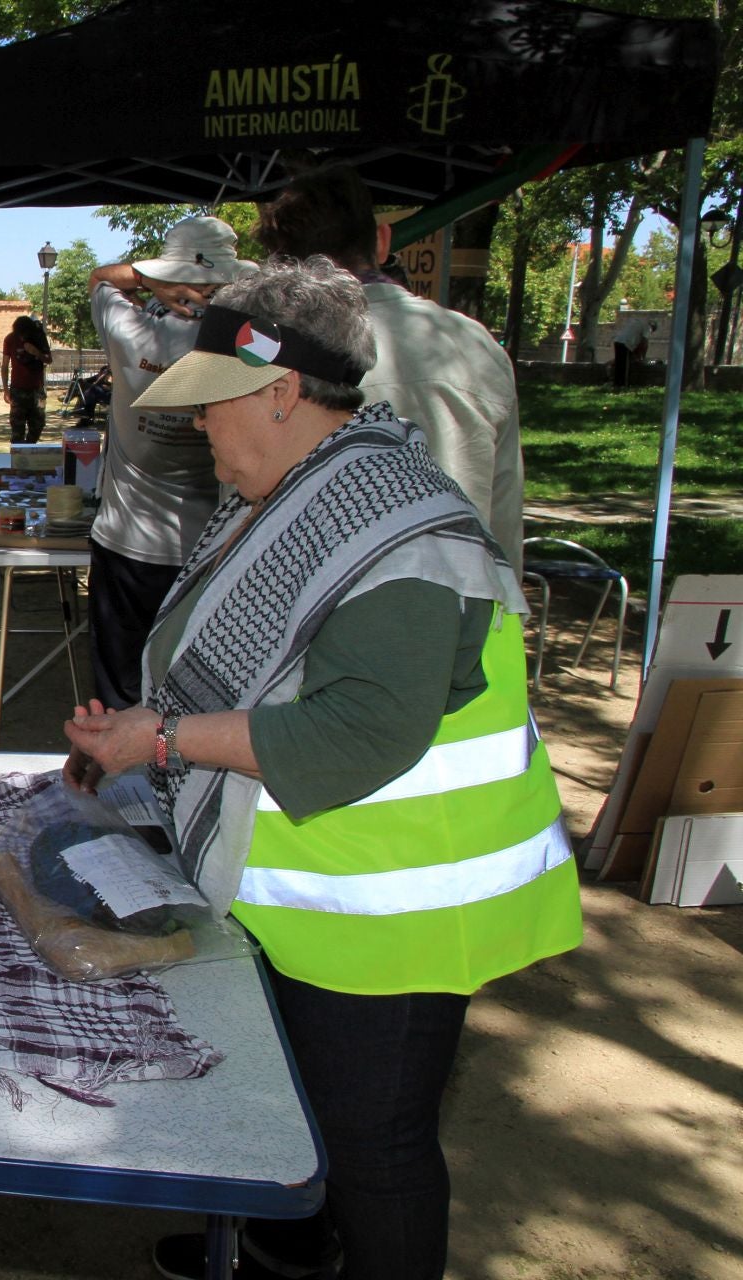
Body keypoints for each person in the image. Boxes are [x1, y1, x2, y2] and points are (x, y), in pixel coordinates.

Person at [60, 257, 582, 1280]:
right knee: (301, 1118)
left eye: (213, 405)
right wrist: (142, 725)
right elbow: (244, 665)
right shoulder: (295, 491)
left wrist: (161, 741)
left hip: (396, 919)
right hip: (315, 900)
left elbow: (358, 733)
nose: (199, 428)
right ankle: (285, 1252)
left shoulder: (395, 521)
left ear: (283, 390)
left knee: (374, 1150)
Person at [256, 165, 526, 574]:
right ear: (383, 241)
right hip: (460, 600)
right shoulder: (476, 345)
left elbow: (245, 515)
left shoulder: (267, 353)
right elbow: (504, 512)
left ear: (279, 263)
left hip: (320, 610)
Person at [83, 216, 249, 708]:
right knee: (193, 695)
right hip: (212, 545)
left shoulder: (130, 330)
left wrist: (154, 278)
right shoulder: (243, 348)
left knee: (120, 692)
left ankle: (119, 778)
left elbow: (100, 278)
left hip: (128, 542)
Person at [1, 313, 52, 444]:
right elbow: (5, 366)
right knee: (17, 426)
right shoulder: (10, 339)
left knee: (39, 423)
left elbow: (48, 359)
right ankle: (18, 456)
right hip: (18, 390)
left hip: (37, 389)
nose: (23, 338)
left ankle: (29, 446)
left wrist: (37, 353)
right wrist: (6, 390)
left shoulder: (39, 337)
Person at [611, 311, 655, 390]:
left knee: (619, 363)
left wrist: (637, 354)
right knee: (624, 366)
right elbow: (644, 343)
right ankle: (621, 385)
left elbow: (637, 341)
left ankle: (616, 384)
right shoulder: (647, 327)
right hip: (626, 344)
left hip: (618, 341)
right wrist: (643, 357)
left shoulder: (638, 322)